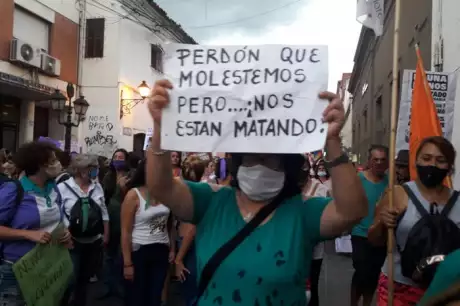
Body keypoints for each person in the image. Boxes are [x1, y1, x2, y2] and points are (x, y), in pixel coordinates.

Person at [145, 79, 367, 305]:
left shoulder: (302, 213)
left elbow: (352, 212)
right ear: (238, 160)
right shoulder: (211, 201)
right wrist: (160, 128)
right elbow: (161, 186)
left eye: (270, 157)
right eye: (251, 156)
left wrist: (331, 140)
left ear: (286, 165)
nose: (260, 164)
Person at [368, 136, 460, 306]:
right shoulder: (396, 194)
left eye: (440, 160)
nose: (432, 165)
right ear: (416, 161)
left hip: (444, 291)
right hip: (398, 289)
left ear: (449, 167)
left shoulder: (458, 202)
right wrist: (383, 223)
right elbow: (373, 239)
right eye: (426, 158)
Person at [0, 141, 72, 306]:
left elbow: (59, 219)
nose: (58, 164)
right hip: (17, 269)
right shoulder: (13, 189)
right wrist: (28, 234)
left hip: (48, 267)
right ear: (40, 165)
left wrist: (65, 232)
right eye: (53, 161)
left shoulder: (53, 188)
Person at [58, 154, 109, 306]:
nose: (96, 171)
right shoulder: (63, 188)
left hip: (93, 241)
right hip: (72, 241)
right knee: (70, 279)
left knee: (84, 280)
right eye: (93, 168)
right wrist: (65, 235)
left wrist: (106, 233)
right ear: (82, 170)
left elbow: (103, 210)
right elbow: (59, 215)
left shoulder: (97, 187)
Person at [121, 160, 173, 306]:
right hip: (139, 251)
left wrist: (172, 248)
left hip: (161, 249)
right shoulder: (133, 195)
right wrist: (127, 263)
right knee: (137, 298)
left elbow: (169, 225)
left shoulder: (166, 194)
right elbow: (125, 231)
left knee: (155, 297)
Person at [350, 145, 389, 306]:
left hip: (381, 235)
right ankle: (353, 302)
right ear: (369, 161)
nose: (379, 163)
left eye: (382, 160)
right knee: (361, 271)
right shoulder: (358, 179)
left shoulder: (390, 182)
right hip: (360, 233)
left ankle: (366, 302)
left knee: (374, 273)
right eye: (375, 159)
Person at [175, 155, 207, 306]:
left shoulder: (192, 193)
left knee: (191, 291)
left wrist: (179, 258)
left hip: (189, 244)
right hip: (189, 242)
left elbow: (191, 229)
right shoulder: (196, 191)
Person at [99, 148, 130, 299]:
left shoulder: (131, 176)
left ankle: (121, 286)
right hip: (111, 218)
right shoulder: (108, 177)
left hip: (126, 218)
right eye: (115, 157)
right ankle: (108, 287)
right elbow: (103, 198)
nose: (118, 159)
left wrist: (124, 187)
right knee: (109, 255)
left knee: (123, 255)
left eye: (121, 157)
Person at [300, 159, 331, 306]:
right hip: (293, 247)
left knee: (312, 287)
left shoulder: (321, 189)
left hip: (315, 250)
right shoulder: (287, 187)